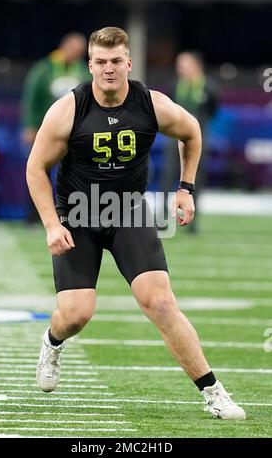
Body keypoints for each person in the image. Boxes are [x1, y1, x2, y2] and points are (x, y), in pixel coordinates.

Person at [26, 27, 245, 420]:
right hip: (78, 215)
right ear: (89, 64)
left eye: (116, 62)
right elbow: (35, 168)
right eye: (100, 62)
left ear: (128, 62)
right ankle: (53, 341)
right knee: (76, 314)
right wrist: (51, 225)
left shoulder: (151, 103)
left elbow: (191, 131)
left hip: (127, 211)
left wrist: (185, 188)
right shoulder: (68, 109)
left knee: (160, 302)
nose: (108, 70)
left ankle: (213, 392)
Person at [22, 32, 91, 223]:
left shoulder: (83, 71)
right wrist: (30, 125)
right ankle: (34, 216)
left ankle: (73, 216)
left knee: (75, 173)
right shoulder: (44, 69)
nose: (76, 54)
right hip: (46, 131)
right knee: (38, 169)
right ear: (65, 47)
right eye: (74, 49)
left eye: (80, 51)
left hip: (74, 131)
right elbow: (30, 99)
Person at [161, 51, 219, 232]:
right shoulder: (176, 84)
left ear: (196, 65)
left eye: (183, 64)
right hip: (174, 139)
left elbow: (213, 109)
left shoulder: (209, 86)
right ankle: (164, 219)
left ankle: (192, 222)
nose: (180, 68)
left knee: (196, 180)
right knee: (168, 176)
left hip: (198, 140)